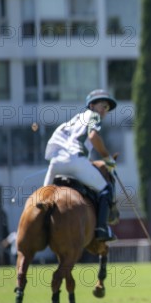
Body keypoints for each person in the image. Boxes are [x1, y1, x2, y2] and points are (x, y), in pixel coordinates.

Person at [43, 89, 118, 241]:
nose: (104, 111)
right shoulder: (93, 116)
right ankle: (101, 229)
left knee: (41, 200)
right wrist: (107, 158)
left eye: (107, 108)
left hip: (55, 164)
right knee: (106, 189)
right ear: (91, 106)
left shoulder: (73, 121)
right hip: (76, 162)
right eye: (102, 106)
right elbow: (93, 136)